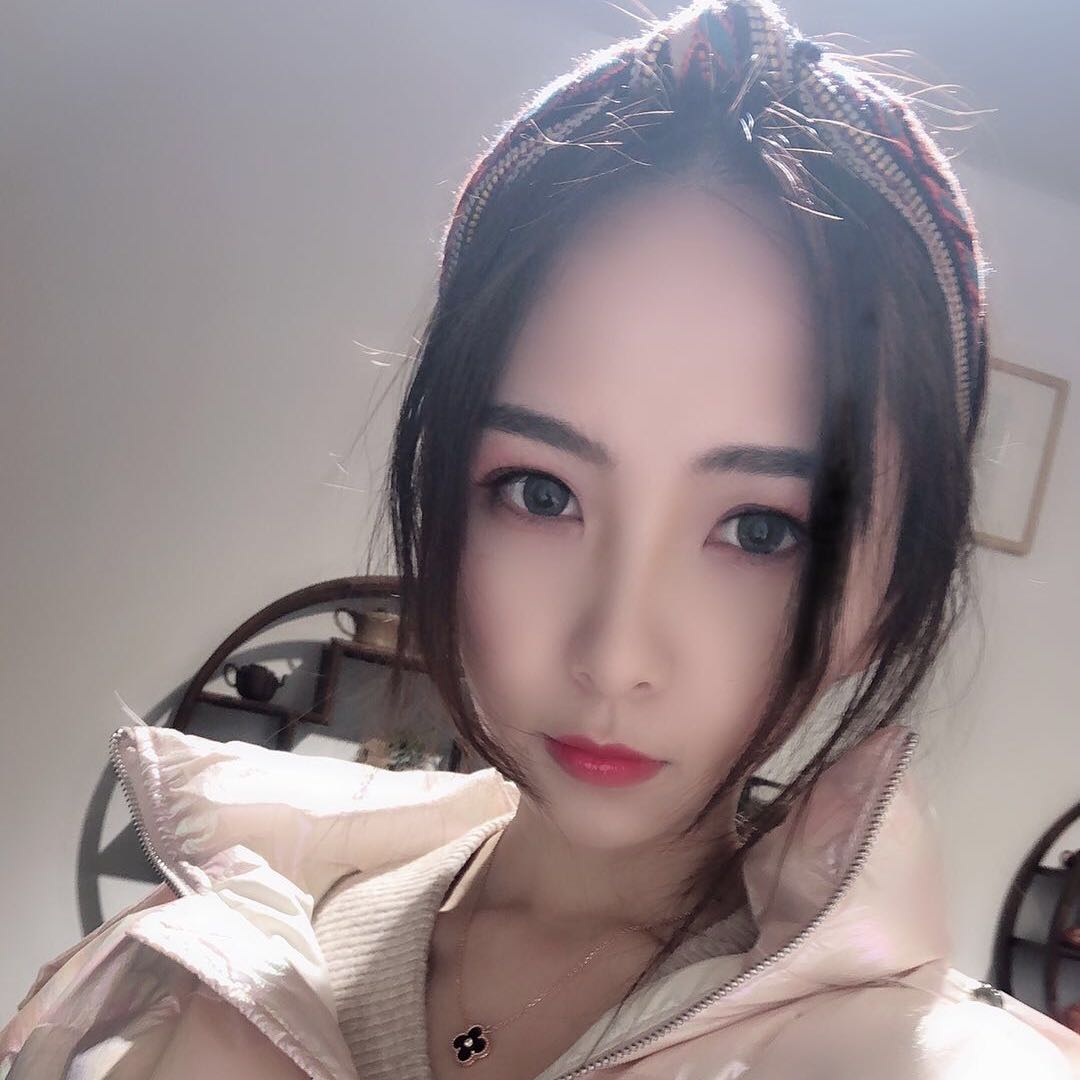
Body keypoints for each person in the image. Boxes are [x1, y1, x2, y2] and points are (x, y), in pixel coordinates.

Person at [4, 0, 1080, 1077]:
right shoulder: (216, 952)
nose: (614, 657)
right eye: (540, 493)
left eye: (760, 529)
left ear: (891, 591)